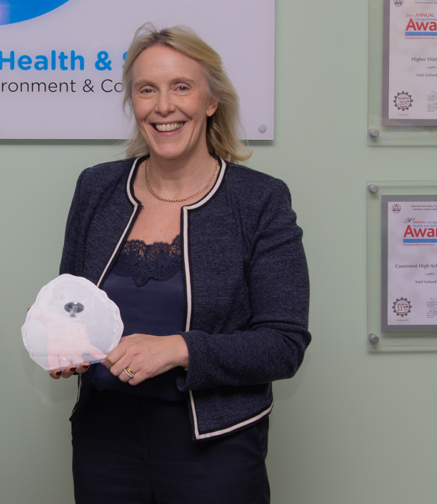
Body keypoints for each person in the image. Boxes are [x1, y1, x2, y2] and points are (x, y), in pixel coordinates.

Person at [51, 25, 311, 503]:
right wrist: (64, 344)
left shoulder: (259, 201)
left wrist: (178, 349)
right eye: (147, 90)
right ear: (134, 103)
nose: (163, 106)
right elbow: (71, 304)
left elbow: (284, 343)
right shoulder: (96, 189)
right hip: (104, 443)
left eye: (181, 87)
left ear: (211, 101)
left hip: (217, 447)